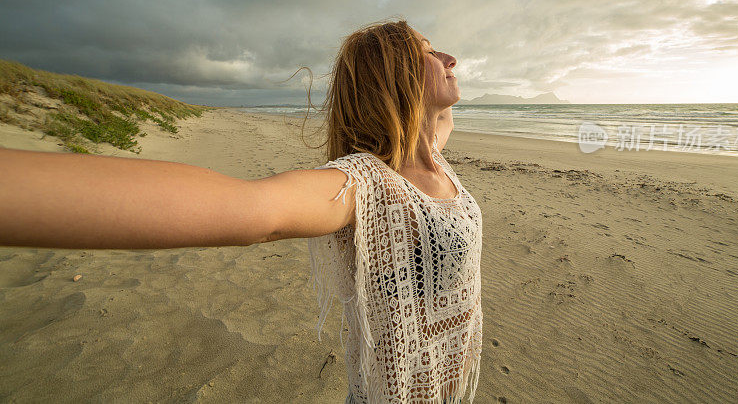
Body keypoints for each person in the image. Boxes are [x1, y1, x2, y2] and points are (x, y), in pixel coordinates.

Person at [0, 20, 482, 404]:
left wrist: (422, 101)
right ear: (393, 75)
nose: (448, 58)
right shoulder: (366, 185)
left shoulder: (433, 153)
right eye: (426, 49)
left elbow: (433, 119)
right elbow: (257, 211)